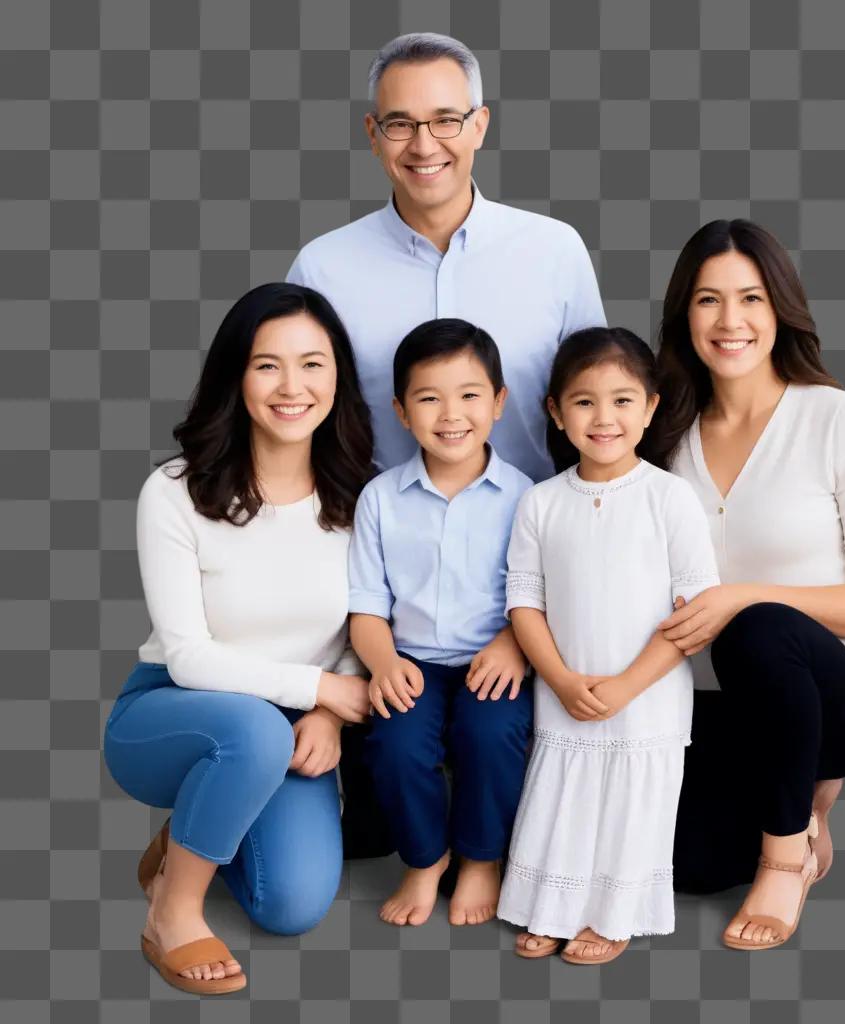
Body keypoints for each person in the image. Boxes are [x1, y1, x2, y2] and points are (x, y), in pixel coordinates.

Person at [102, 284, 374, 994]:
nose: (293, 387)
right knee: (252, 733)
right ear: (235, 376)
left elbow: (366, 630)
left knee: (291, 905)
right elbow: (189, 655)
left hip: (290, 725)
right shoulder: (175, 490)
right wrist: (322, 690)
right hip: (170, 714)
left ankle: (192, 835)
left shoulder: (362, 498)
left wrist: (327, 717)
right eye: (267, 366)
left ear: (338, 375)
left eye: (313, 364)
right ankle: (173, 912)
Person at [654, 219, 845, 950]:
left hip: (841, 703)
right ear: (684, 315)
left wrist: (743, 595)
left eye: (752, 298)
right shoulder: (660, 435)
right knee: (693, 868)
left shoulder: (840, 419)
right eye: (708, 300)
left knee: (758, 626)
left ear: (781, 309)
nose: (730, 322)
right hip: (712, 707)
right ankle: (805, 808)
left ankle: (787, 850)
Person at [286, 32, 606, 483]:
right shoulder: (321, 269)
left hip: (534, 539)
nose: (423, 145)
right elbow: (288, 420)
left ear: (480, 125)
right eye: (399, 123)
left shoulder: (555, 250)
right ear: (373, 135)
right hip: (369, 539)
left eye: (446, 120)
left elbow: (600, 403)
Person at [495, 328, 720, 965]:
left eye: (623, 400)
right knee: (562, 798)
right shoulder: (540, 503)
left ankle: (615, 913)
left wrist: (626, 685)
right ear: (556, 412)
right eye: (585, 401)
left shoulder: (670, 498)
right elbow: (525, 604)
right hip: (564, 691)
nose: (604, 418)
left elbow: (693, 612)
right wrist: (562, 679)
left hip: (645, 698)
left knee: (632, 804)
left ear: (650, 408)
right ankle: (551, 906)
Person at [347, 319, 534, 927]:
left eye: (470, 395)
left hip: (498, 656)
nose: (451, 414)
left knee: (492, 735)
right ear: (401, 411)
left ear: (500, 402)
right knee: (396, 744)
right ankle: (426, 858)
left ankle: (482, 857)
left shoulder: (528, 497)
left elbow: (542, 593)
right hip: (413, 659)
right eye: (429, 397)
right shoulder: (380, 498)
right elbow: (368, 605)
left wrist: (513, 644)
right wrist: (384, 663)